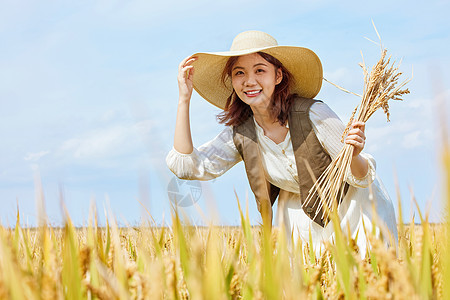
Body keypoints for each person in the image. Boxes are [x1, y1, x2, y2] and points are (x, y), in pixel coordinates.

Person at [166, 30, 398, 255]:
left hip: (355, 211)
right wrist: (184, 100)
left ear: (278, 76)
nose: (249, 81)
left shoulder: (313, 114)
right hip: (303, 223)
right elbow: (188, 166)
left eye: (259, 70)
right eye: (239, 73)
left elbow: (360, 177)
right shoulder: (241, 133)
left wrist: (355, 154)